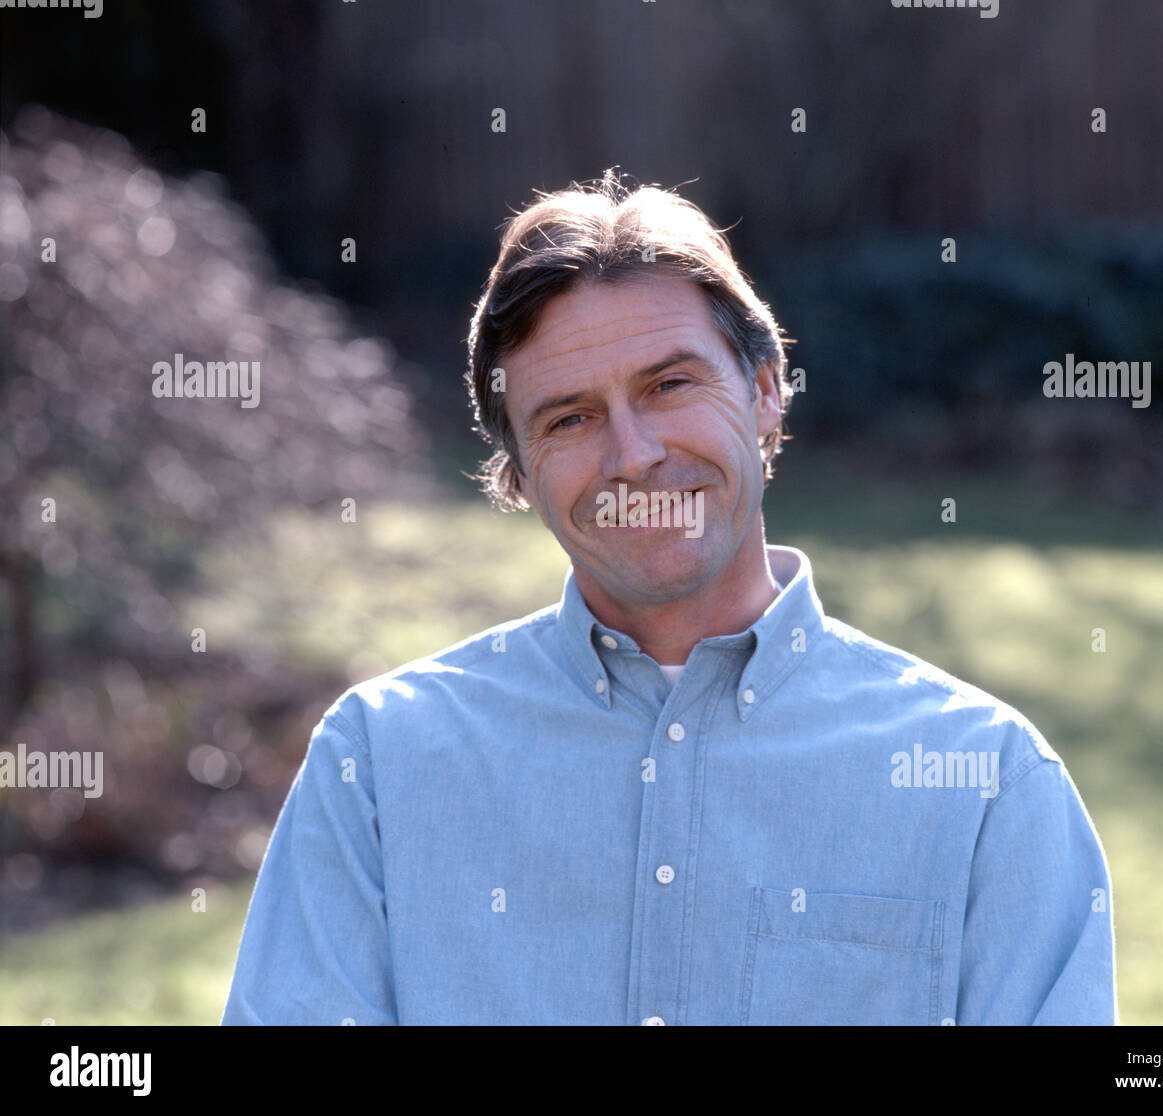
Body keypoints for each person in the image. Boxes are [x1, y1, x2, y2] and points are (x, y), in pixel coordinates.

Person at [221, 170, 1117, 1025]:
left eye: (670, 384)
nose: (633, 453)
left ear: (766, 393)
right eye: (568, 418)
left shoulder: (987, 783)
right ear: (520, 476)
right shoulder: (379, 765)